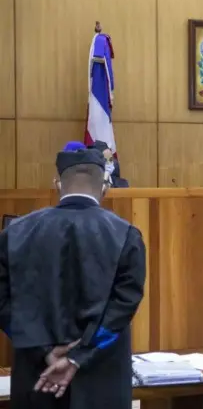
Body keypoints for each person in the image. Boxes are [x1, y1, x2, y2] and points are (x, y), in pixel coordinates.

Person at [0, 141, 146, 408]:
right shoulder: (126, 235)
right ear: (105, 186)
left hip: (38, 380)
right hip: (101, 385)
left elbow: (3, 305)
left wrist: (44, 352)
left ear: (57, 184)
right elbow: (123, 307)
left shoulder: (14, 233)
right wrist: (77, 357)